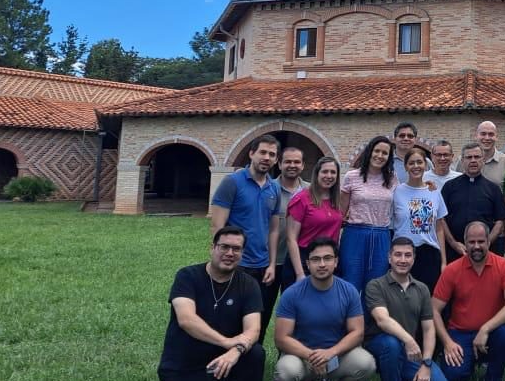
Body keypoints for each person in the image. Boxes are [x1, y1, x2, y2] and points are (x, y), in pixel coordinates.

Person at [158, 226, 265, 381]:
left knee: (255, 353)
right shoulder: (187, 276)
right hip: (184, 364)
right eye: (224, 247)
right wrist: (226, 342)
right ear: (212, 248)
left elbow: (253, 330)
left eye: (236, 249)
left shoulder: (249, 284)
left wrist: (236, 350)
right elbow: (186, 319)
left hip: (224, 362)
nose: (230, 253)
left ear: (242, 253)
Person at [210, 134, 282, 344]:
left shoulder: (274, 188)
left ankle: (251, 363)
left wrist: (271, 264)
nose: (266, 158)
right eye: (262, 152)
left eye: (272, 154)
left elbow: (274, 230)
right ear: (251, 153)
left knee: (259, 320)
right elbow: (217, 225)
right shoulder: (232, 182)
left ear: (276, 160)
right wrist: (220, 260)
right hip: (236, 264)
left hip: (262, 268)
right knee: (230, 321)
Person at [274, 237, 376, 381]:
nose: (322, 264)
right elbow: (281, 338)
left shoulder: (349, 291)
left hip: (336, 357)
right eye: (316, 259)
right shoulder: (292, 293)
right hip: (302, 358)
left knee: (365, 363)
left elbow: (357, 332)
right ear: (308, 264)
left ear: (336, 262)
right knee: (286, 370)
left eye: (327, 258)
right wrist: (312, 356)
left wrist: (330, 353)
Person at [432, 221, 505, 381]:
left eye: (481, 241)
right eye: (471, 242)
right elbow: (434, 310)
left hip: (492, 333)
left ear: (489, 241)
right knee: (454, 376)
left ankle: (492, 376)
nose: (476, 246)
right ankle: (468, 363)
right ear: (465, 243)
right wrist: (447, 343)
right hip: (459, 334)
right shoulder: (452, 269)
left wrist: (485, 329)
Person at [364, 237, 448, 381]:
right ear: (389, 258)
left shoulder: (422, 289)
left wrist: (426, 364)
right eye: (398, 254)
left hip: (409, 353)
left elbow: (428, 329)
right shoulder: (375, 285)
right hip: (379, 348)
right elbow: (382, 320)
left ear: (414, 259)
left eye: (408, 255)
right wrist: (409, 340)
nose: (403, 260)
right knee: (392, 344)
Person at [340, 135, 398, 292]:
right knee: (350, 283)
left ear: (389, 157)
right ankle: (348, 317)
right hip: (355, 234)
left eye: (384, 153)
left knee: (375, 286)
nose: (379, 156)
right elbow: (340, 212)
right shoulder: (352, 177)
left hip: (381, 236)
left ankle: (371, 317)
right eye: (376, 151)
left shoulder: (392, 179)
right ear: (369, 151)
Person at [392, 143, 449, 294]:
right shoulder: (397, 191)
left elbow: (439, 228)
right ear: (405, 167)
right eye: (411, 163)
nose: (415, 166)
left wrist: (443, 262)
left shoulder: (434, 192)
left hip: (429, 254)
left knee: (427, 300)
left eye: (419, 162)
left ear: (426, 165)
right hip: (403, 254)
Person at [441, 143, 505, 262]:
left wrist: (486, 244)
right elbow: (441, 219)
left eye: (477, 157)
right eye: (469, 157)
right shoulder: (449, 187)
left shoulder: (493, 189)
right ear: (462, 161)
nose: (473, 160)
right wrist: (453, 243)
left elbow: (500, 222)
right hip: (455, 251)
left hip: (485, 252)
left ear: (483, 160)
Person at [287, 156, 343, 281]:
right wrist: (299, 273)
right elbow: (291, 239)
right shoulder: (301, 199)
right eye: (324, 171)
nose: (329, 176)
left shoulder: (337, 201)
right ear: (317, 173)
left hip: (327, 261)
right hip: (305, 261)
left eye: (333, 172)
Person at [275, 147, 309, 292]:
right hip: (271, 260)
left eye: (297, 162)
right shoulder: (267, 189)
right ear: (279, 164)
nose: (292, 165)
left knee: (294, 310)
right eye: (287, 161)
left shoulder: (311, 191)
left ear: (303, 165)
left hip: (299, 262)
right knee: (263, 308)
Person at [476, 120, 505, 186]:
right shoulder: (463, 160)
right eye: (483, 134)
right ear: (476, 136)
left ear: (496, 137)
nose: (487, 138)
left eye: (491, 134)